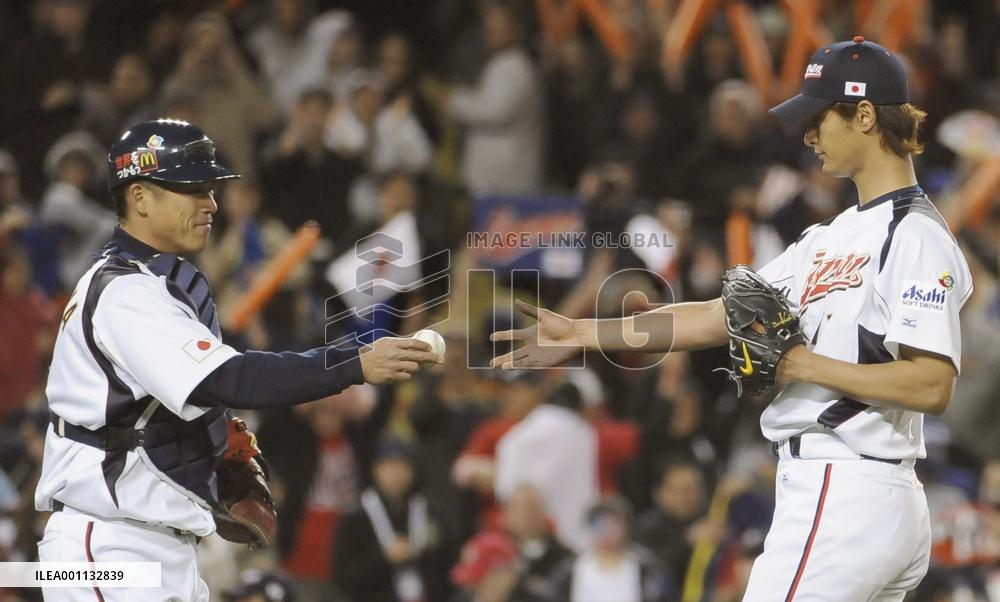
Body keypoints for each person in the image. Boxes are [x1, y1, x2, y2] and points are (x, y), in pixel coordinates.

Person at [492, 37, 972, 599]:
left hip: (849, 488)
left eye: (820, 117)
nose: (808, 134)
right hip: (844, 493)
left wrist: (802, 365)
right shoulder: (831, 236)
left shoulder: (914, 236)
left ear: (865, 115)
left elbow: (931, 383)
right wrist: (582, 333)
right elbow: (719, 316)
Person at [34, 119, 440, 601]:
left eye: (210, 189)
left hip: (155, 546)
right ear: (140, 197)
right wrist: (355, 363)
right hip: (107, 547)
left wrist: (207, 441)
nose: (210, 204)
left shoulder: (163, 285)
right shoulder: (124, 291)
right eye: (192, 190)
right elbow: (231, 377)